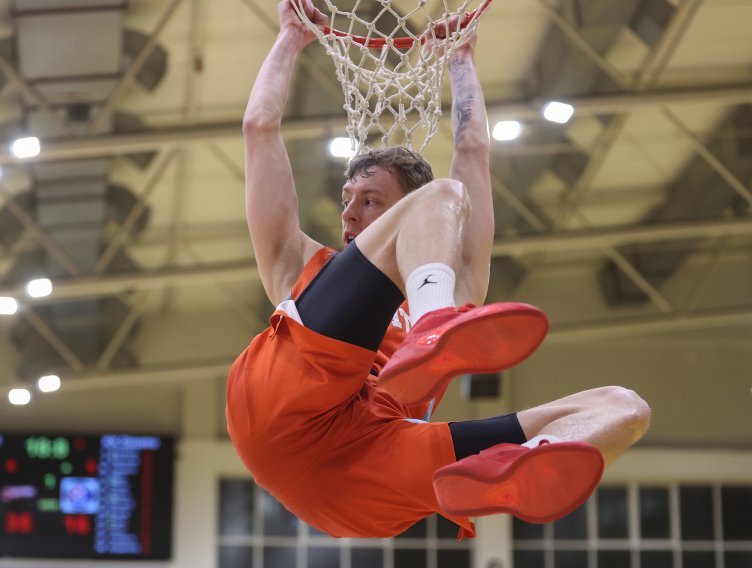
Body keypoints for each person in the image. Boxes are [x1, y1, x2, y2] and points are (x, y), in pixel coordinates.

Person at [226, 0, 651, 539]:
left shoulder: (459, 273)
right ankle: (434, 329)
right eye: (346, 198)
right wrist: (289, 36)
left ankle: (511, 469)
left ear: (411, 208)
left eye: (372, 201)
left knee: (624, 408)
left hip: (366, 471)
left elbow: (472, 153)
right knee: (446, 211)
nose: (350, 213)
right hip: (287, 423)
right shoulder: (303, 267)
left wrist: (462, 57)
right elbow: (258, 127)